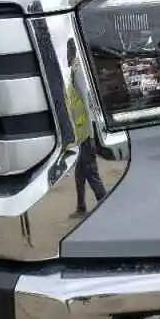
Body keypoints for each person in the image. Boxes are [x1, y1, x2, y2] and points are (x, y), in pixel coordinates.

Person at [64, 38, 106, 216]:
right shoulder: (75, 71)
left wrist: (91, 135)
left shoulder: (78, 71)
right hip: (82, 136)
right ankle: (81, 208)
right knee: (80, 175)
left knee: (91, 174)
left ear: (71, 53)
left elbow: (87, 109)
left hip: (87, 135)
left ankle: (106, 205)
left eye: (67, 52)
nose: (66, 56)